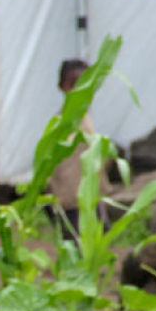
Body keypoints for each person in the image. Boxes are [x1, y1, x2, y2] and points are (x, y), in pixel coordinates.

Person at [49, 59, 110, 232]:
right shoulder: (60, 124)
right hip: (71, 201)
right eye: (74, 84)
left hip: (92, 197)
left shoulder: (84, 119)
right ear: (63, 87)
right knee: (77, 245)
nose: (80, 90)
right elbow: (50, 167)